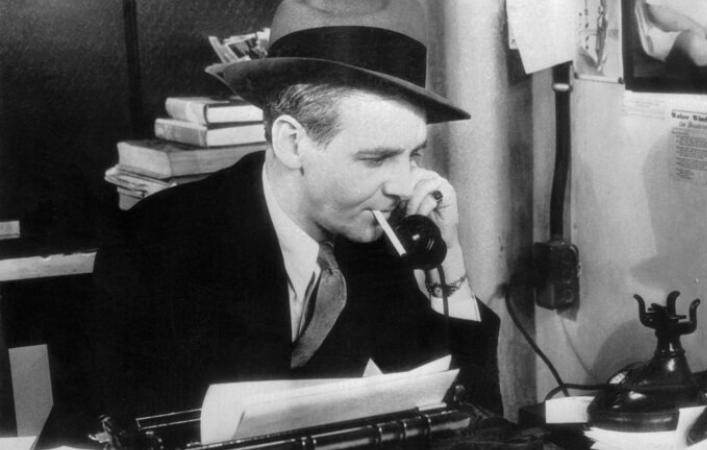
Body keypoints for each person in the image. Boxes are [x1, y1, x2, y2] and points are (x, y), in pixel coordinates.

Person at [89, 0, 502, 425]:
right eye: (376, 159)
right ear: (291, 143)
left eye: (413, 154)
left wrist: (448, 259)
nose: (402, 186)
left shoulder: (381, 238)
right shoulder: (155, 244)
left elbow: (476, 423)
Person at [635, 0, 707, 79]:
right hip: (667, 27)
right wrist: (695, 28)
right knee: (702, 48)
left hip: (698, 14)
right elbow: (657, 14)